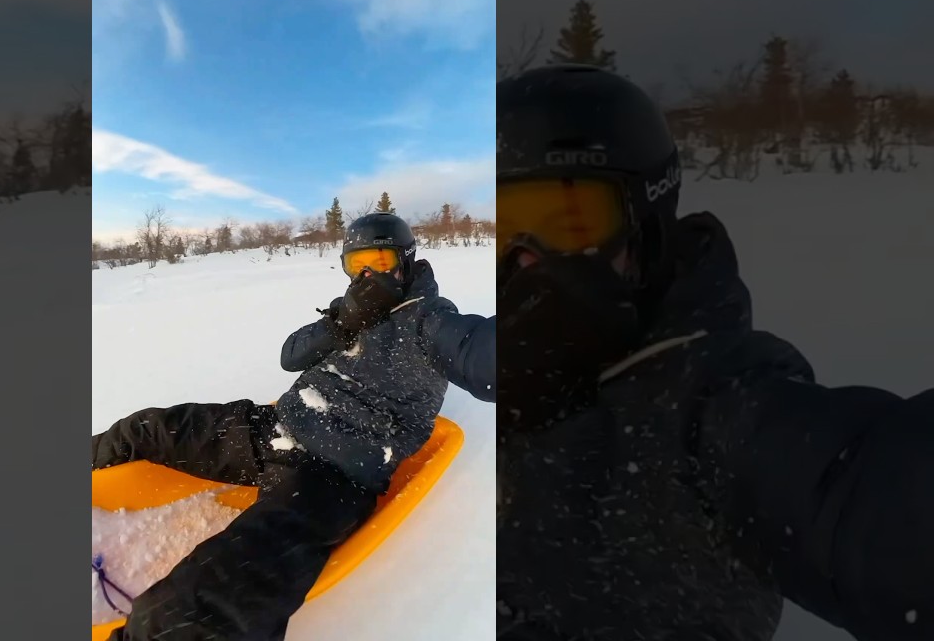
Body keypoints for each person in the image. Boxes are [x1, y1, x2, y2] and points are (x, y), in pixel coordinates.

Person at [496, 63, 934, 641]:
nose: (528, 262)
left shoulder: (710, 400)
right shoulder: (503, 359)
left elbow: (865, 493)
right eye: (507, 233)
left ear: (645, 223)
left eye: (571, 223)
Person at [92, 212, 466, 641]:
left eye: (379, 262)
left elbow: (477, 350)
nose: (367, 274)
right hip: (276, 427)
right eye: (356, 264)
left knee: (201, 606)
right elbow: (291, 356)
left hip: (330, 476)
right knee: (147, 428)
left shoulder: (431, 321)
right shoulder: (355, 307)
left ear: (404, 260)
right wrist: (343, 321)